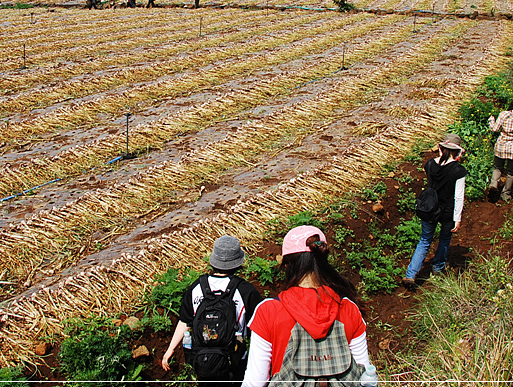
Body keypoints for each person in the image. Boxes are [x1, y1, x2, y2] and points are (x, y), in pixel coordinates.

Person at [242, 225, 374, 387]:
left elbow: (255, 382)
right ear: (323, 262)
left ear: (287, 266)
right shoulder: (348, 308)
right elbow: (365, 378)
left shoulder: (268, 311)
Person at [161, 235, 262, 385]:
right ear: (238, 263)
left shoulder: (197, 287)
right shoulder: (245, 290)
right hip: (234, 361)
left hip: (203, 362)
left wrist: (170, 350)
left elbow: (185, 321)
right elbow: (262, 324)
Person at [402, 134, 467, 288]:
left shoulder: (430, 164)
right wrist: (457, 218)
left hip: (430, 208)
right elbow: (459, 197)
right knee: (444, 239)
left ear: (441, 148)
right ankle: (438, 267)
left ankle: (410, 275)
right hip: (447, 212)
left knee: (424, 240)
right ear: (457, 152)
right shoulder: (459, 170)